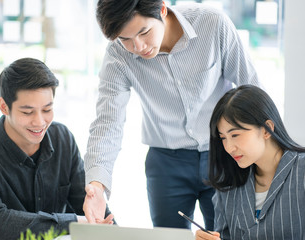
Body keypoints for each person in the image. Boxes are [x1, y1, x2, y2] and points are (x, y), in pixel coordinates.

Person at [83, 0, 261, 230]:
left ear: (162, 10)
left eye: (144, 32)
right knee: (167, 237)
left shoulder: (212, 24)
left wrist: (266, 158)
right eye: (124, 39)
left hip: (224, 153)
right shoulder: (118, 55)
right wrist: (97, 187)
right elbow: (107, 123)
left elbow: (253, 90)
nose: (138, 46)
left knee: (231, 234)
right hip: (166, 162)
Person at [0, 58, 114, 240]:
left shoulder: (62, 139)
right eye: (27, 112)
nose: (39, 122)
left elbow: (93, 213)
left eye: (47, 110)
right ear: (4, 107)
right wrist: (73, 222)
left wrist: (104, 223)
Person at [195, 85, 305, 240]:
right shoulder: (229, 182)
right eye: (223, 138)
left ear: (266, 129)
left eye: (235, 135)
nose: (229, 148)